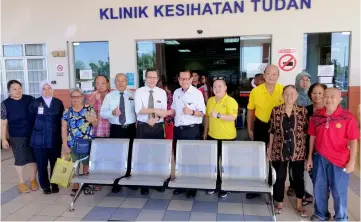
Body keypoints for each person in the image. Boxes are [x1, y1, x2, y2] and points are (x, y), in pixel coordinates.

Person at [307, 88, 360, 221]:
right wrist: (309, 158)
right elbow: (312, 136)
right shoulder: (316, 116)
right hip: (319, 157)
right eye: (326, 96)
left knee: (338, 191)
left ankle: (341, 217)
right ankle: (321, 214)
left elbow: (354, 141)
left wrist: (352, 162)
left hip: (340, 160)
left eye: (332, 97)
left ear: (340, 99)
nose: (328, 99)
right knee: (319, 188)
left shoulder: (348, 117)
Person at [268, 85, 308, 218]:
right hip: (279, 149)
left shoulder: (303, 111)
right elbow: (272, 132)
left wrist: (308, 154)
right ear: (282, 96)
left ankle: (299, 204)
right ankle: (279, 203)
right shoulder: (276, 111)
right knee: (279, 177)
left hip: (298, 150)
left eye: (292, 93)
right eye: (286, 94)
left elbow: (307, 133)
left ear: (297, 96)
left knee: (298, 177)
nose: (289, 96)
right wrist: (269, 151)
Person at [246, 64, 284, 199]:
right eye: (269, 73)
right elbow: (250, 111)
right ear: (264, 75)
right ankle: (256, 188)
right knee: (258, 157)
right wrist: (250, 128)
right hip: (261, 125)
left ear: (278, 76)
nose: (272, 76)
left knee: (277, 158)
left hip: (279, 127)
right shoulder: (256, 91)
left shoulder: (283, 90)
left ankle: (275, 189)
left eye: (275, 74)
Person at [167, 70, 206, 198]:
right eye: (181, 79)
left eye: (186, 79)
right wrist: (162, 113)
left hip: (192, 130)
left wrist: (192, 112)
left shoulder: (197, 93)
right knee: (179, 159)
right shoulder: (176, 92)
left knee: (192, 159)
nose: (184, 81)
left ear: (191, 79)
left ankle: (192, 187)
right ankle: (182, 185)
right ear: (178, 80)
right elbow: (173, 109)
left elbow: (202, 113)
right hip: (178, 130)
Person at [1, 80, 38, 193]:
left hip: (32, 134)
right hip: (16, 136)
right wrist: (3, 139)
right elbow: (3, 123)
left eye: (19, 88)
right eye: (14, 89)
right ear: (9, 91)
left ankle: (33, 180)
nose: (18, 91)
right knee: (20, 159)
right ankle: (21, 182)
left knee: (33, 159)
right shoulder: (5, 104)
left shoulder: (30, 99)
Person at [134, 68, 167, 195]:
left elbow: (163, 111)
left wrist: (157, 117)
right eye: (149, 77)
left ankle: (157, 182)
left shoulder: (162, 92)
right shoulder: (139, 91)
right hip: (143, 126)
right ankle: (144, 184)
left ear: (158, 79)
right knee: (143, 156)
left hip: (158, 126)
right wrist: (155, 111)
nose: (152, 80)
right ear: (145, 78)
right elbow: (138, 110)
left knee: (157, 156)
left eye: (154, 77)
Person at [203, 76, 238, 198]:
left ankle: (226, 186)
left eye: (220, 86)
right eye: (214, 86)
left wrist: (218, 115)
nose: (217, 89)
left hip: (227, 137)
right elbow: (207, 117)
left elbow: (233, 117)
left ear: (225, 88)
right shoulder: (210, 101)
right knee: (213, 162)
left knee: (225, 163)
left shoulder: (231, 101)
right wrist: (205, 132)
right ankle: (215, 183)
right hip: (212, 136)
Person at [29, 81, 64, 194]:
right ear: (41, 90)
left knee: (55, 162)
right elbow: (30, 121)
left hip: (55, 138)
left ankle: (54, 184)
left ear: (53, 90)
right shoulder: (35, 103)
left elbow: (62, 121)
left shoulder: (58, 103)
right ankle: (45, 185)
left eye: (49, 88)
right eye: (44, 89)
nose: (47, 91)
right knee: (41, 163)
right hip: (39, 139)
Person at [61, 88, 98, 193]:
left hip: (86, 142)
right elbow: (64, 128)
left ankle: (85, 182)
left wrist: (94, 121)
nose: (76, 99)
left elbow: (95, 124)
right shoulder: (67, 111)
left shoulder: (89, 109)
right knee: (73, 164)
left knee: (86, 163)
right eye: (73, 97)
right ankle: (75, 183)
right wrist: (64, 144)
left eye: (78, 96)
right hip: (72, 142)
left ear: (82, 97)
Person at [287, 71, 312, 198]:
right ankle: (292, 185)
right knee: (293, 161)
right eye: (302, 79)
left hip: (310, 135)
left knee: (307, 160)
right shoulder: (293, 96)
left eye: (307, 80)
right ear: (297, 81)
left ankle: (307, 188)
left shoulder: (313, 96)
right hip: (294, 135)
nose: (305, 82)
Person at [302, 83, 328, 206]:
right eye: (314, 93)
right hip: (308, 144)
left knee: (323, 174)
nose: (317, 96)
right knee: (309, 170)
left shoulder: (330, 110)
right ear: (310, 95)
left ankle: (322, 199)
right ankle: (309, 194)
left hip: (325, 147)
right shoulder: (305, 110)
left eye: (320, 93)